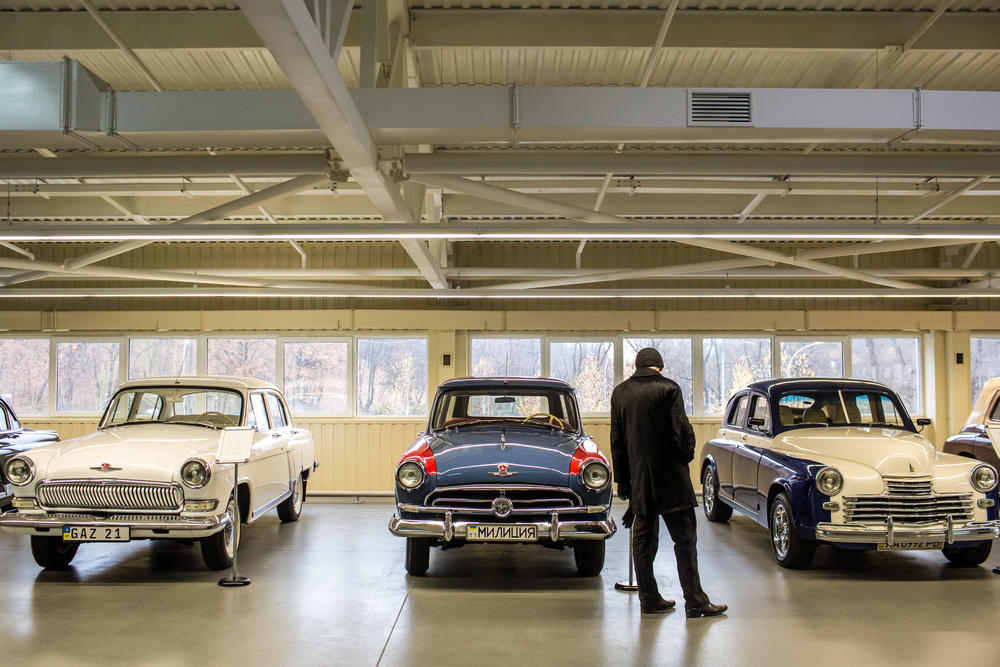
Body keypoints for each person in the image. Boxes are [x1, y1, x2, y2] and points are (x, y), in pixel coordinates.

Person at [610, 347, 727, 618]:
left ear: (638, 366)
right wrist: (687, 454)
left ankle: (648, 599)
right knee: (684, 541)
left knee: (643, 540)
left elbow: (618, 442)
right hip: (671, 478)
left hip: (641, 479)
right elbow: (681, 432)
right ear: (659, 366)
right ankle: (695, 601)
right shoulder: (669, 388)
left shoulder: (620, 393)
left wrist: (624, 484)